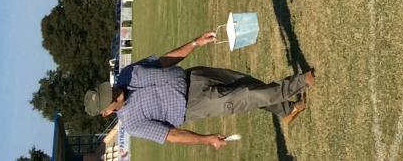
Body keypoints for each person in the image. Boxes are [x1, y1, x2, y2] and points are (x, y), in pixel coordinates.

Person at [83, 30, 315, 148]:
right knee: (247, 96)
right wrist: (207, 140)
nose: (113, 93)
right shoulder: (133, 124)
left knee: (247, 83)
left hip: (194, 75)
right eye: (108, 99)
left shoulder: (127, 73)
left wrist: (195, 42)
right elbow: (171, 135)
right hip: (194, 104)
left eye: (108, 90)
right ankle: (302, 81)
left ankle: (286, 110)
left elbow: (164, 60)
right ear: (106, 112)